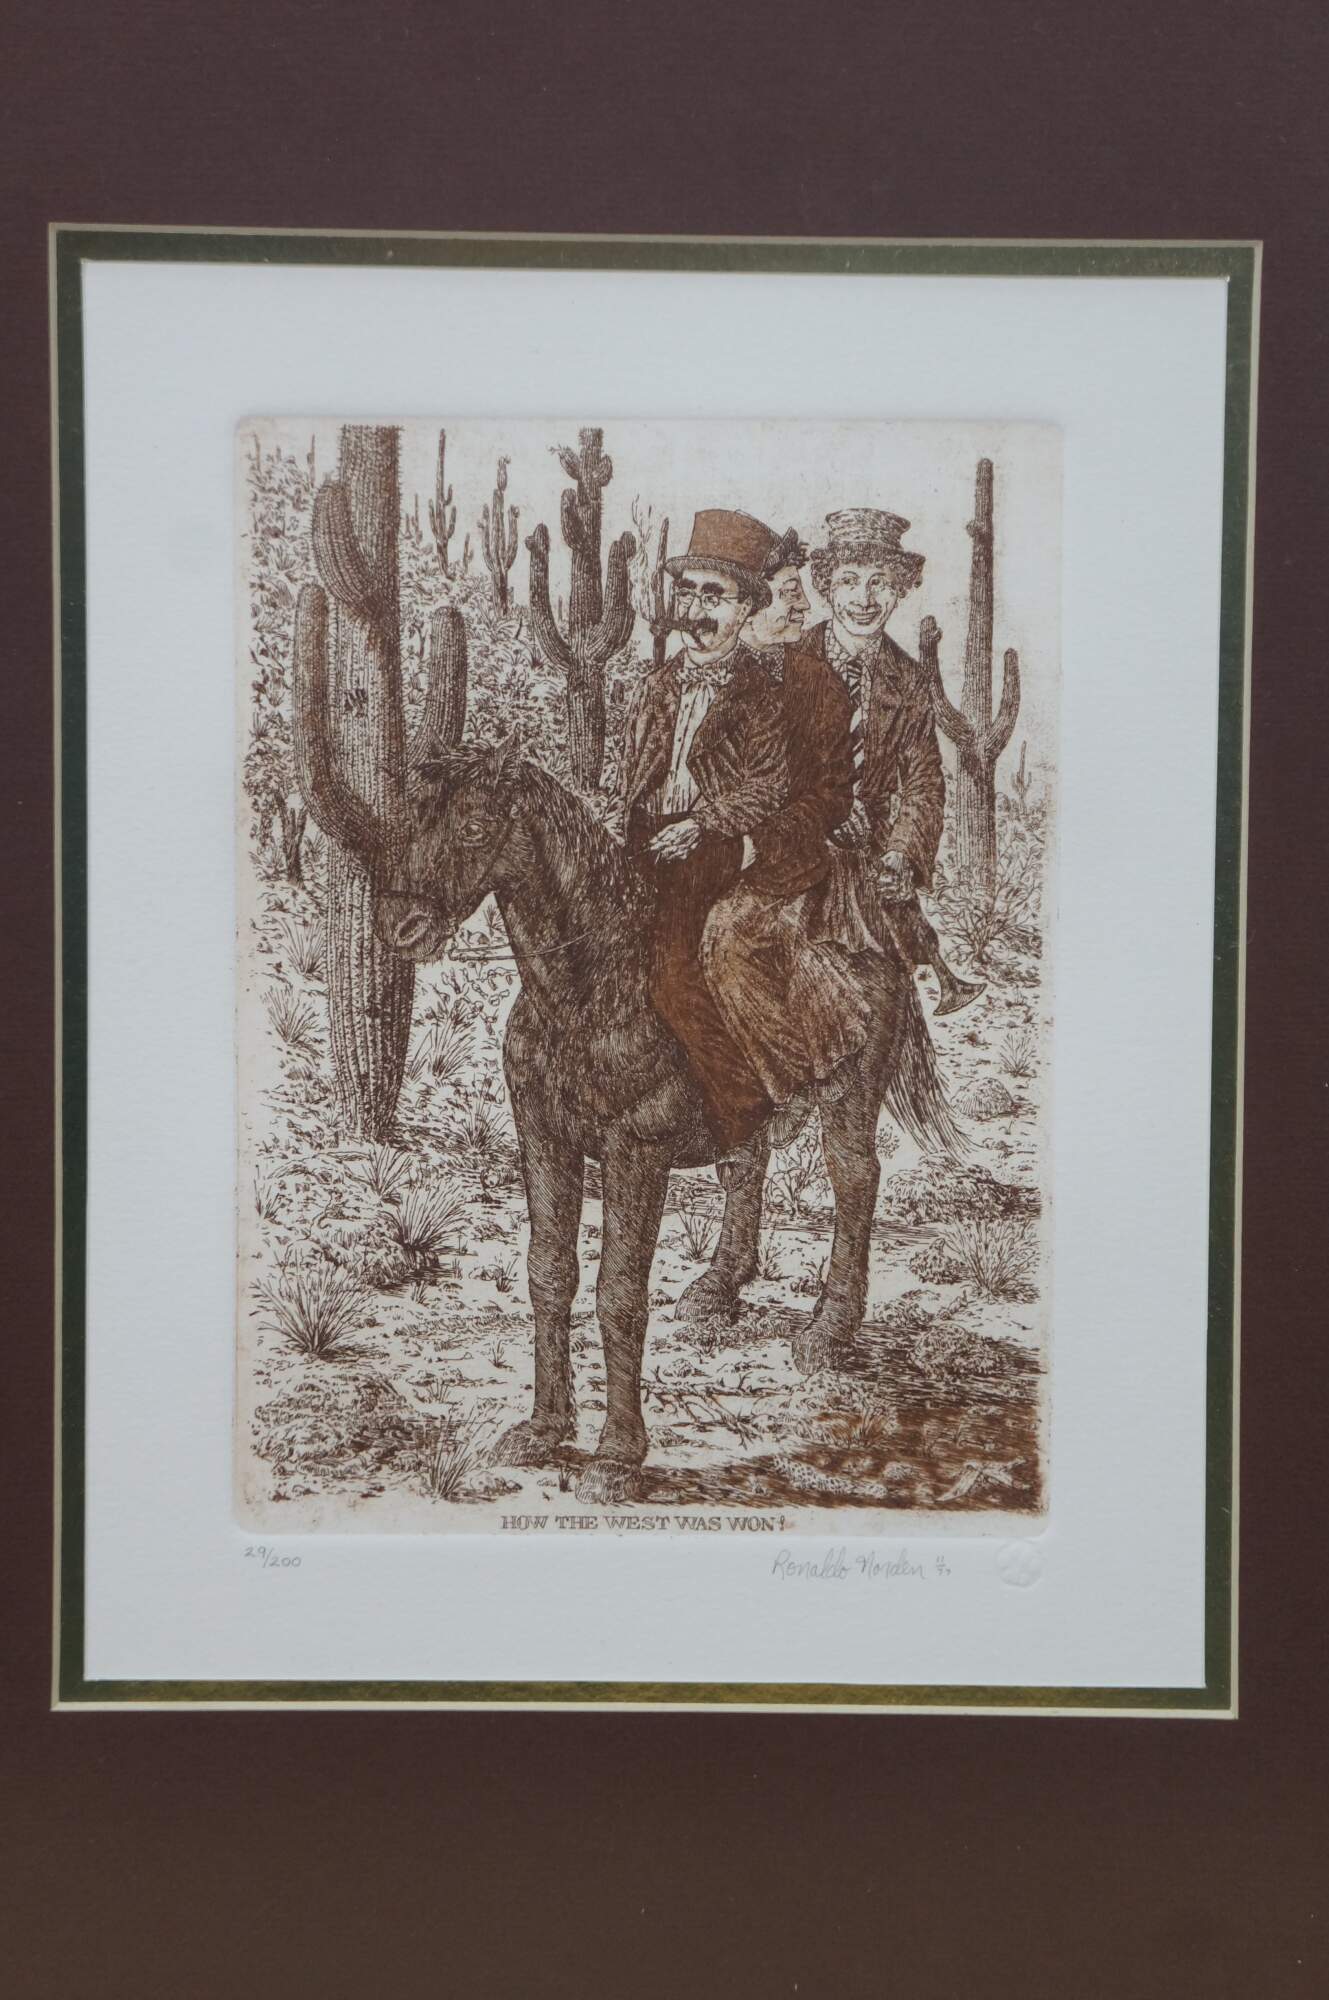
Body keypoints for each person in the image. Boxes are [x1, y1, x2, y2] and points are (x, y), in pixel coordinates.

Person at [620, 510, 798, 1152]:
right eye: (689, 593)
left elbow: (768, 786)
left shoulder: (761, 694)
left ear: (746, 608)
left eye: (714, 596)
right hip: (644, 837)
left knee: (671, 971)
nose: (697, 610)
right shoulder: (657, 684)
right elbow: (633, 767)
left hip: (711, 850)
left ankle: (741, 1104)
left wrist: (701, 823)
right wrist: (620, 816)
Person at [791, 508, 985, 1016]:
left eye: (880, 582)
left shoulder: (911, 679)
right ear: (826, 587)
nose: (864, 599)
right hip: (795, 834)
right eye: (849, 581)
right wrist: (823, 809)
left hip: (871, 845)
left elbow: (924, 782)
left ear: (900, 590)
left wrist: (902, 852)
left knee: (883, 978)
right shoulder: (789, 659)